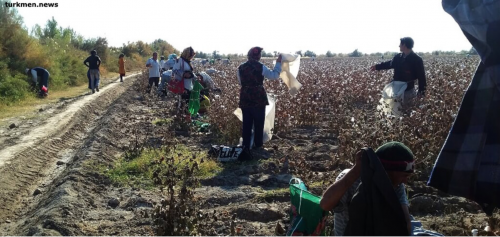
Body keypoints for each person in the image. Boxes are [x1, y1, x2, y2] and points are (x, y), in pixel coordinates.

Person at [320, 142, 414, 236]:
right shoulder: (350, 178)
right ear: (386, 172)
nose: (405, 181)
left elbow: (405, 222)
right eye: (404, 176)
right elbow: (325, 205)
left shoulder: (396, 185)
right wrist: (356, 170)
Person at [237, 46, 282, 155]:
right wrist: (278, 63)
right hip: (258, 97)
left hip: (245, 97)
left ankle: (246, 147)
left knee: (247, 124)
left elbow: (240, 82)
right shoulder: (261, 67)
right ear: (258, 56)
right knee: (259, 122)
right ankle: (258, 146)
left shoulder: (240, 68)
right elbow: (274, 75)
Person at [370, 37, 427, 102]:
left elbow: (421, 77)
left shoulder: (417, 60)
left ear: (404, 45)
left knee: (406, 110)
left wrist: (421, 93)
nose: (399, 45)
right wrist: (377, 67)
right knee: (394, 110)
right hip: (396, 89)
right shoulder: (398, 57)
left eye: (400, 44)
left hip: (408, 91)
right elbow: (389, 64)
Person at [173, 47, 197, 113]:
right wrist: (183, 74)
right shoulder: (179, 60)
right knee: (183, 101)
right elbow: (175, 70)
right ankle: (181, 116)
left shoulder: (188, 62)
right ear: (187, 54)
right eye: (191, 55)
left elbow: (190, 72)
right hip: (182, 85)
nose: (191, 57)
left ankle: (185, 116)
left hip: (188, 85)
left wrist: (196, 77)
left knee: (187, 101)